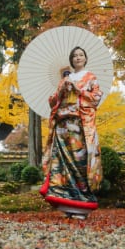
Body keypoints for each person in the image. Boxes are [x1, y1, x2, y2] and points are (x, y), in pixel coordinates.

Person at [39, 46, 103, 219]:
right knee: (62, 164)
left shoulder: (90, 77)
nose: (78, 57)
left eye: (81, 55)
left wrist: (78, 90)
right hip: (63, 125)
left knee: (80, 161)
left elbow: (96, 98)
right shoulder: (65, 79)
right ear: (71, 59)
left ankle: (82, 204)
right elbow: (52, 102)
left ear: (85, 58)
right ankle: (66, 203)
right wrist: (61, 90)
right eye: (75, 55)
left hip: (79, 124)